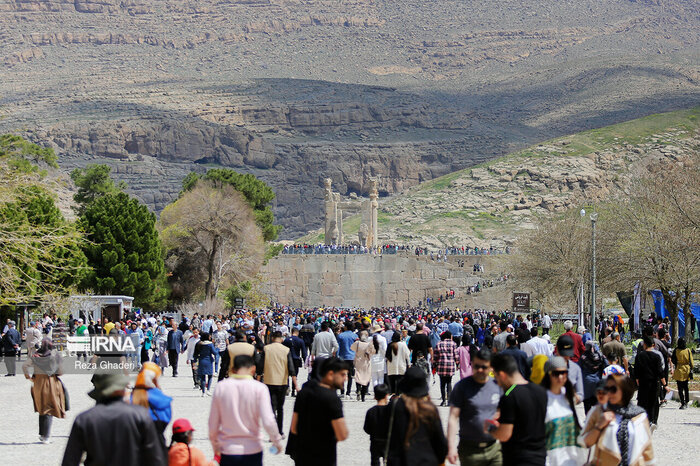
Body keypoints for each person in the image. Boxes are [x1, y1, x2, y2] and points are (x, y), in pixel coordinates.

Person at [62, 373, 166, 466]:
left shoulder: (84, 419)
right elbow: (155, 458)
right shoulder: (140, 415)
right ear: (122, 388)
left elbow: (70, 461)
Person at [209, 355, 283, 466]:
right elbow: (268, 420)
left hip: (228, 449)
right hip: (253, 449)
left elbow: (213, 423)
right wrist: (276, 441)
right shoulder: (259, 388)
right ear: (253, 369)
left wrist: (215, 446)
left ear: (233, 369)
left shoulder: (221, 387)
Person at [578, 374, 654, 465]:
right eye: (606, 389)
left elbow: (647, 449)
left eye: (613, 390)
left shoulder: (640, 416)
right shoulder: (599, 411)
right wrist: (599, 426)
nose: (608, 393)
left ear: (625, 390)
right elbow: (583, 442)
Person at [487, 353, 548, 466]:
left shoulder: (509, 397)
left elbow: (505, 435)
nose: (498, 383)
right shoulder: (540, 391)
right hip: (539, 457)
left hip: (518, 459)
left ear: (502, 375)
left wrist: (490, 428)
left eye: (496, 378)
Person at [383, 366, 448, 465]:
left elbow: (384, 432)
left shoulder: (395, 406)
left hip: (400, 460)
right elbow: (440, 442)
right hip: (427, 461)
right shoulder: (430, 409)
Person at [447, 348, 502, 466]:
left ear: (491, 367)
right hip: (469, 451)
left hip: (494, 449)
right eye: (476, 366)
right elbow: (452, 418)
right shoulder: (462, 387)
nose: (480, 370)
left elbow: (504, 413)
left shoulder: (497, 386)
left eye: (484, 367)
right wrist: (451, 447)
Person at [290, 357, 349, 466]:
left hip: (303, 456)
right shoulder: (332, 399)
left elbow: (294, 428)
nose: (346, 379)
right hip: (324, 457)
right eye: (343, 375)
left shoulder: (303, 393)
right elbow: (342, 435)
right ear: (331, 374)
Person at [540, 356, 583, 465]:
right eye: (556, 373)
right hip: (550, 461)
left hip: (572, 460)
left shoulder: (567, 396)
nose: (560, 377)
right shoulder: (540, 399)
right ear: (548, 374)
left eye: (564, 373)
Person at [22, 338, 66, 444]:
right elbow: (60, 372)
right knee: (49, 409)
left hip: (37, 383)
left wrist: (29, 377)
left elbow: (24, 366)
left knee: (41, 408)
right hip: (51, 383)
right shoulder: (55, 356)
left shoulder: (36, 355)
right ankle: (46, 436)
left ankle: (42, 434)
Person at [257, 330, 299, 436]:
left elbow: (260, 367)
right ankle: (280, 431)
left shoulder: (266, 349)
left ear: (272, 338)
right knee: (280, 408)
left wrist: (257, 381)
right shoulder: (286, 350)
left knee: (271, 408)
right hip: (282, 382)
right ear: (281, 339)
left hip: (269, 381)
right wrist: (296, 384)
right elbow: (291, 368)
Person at [130, 362, 173, 441]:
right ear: (156, 379)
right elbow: (166, 421)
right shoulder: (163, 401)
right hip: (156, 445)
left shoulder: (128, 400)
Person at [635, 335, 667, 429]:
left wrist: (638, 382)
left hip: (643, 383)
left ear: (644, 345)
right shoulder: (656, 356)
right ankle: (652, 420)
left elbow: (636, 372)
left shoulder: (640, 356)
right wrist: (665, 385)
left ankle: (642, 420)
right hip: (654, 383)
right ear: (653, 345)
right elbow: (660, 372)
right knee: (653, 402)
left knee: (642, 402)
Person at [363, 383, 391, 466]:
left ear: (375, 396)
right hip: (388, 441)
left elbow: (366, 428)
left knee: (375, 461)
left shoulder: (371, 411)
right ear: (387, 395)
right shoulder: (391, 411)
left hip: (375, 441)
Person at [578, 340, 608, 414]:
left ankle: (588, 421)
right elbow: (607, 365)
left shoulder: (583, 356)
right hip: (598, 382)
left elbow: (579, 368)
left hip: (586, 383)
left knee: (587, 405)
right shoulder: (600, 355)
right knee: (597, 404)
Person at [556, 335, 583, 404]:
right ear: (557, 350)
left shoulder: (576, 369)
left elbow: (580, 394)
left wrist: (575, 398)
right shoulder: (549, 366)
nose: (565, 357)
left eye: (567, 355)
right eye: (563, 355)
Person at [434, 330, 458, 406]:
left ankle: (443, 400)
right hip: (450, 365)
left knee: (442, 384)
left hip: (441, 365)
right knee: (449, 382)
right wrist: (457, 364)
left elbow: (435, 356)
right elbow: (456, 355)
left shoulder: (439, 344)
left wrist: (434, 365)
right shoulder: (453, 344)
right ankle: (449, 401)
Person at [351, 330, 375, 402]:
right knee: (366, 378)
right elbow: (373, 352)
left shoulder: (357, 343)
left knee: (358, 376)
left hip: (358, 362)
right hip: (366, 362)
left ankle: (358, 390)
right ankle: (363, 396)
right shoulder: (370, 344)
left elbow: (352, 348)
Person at [283, 327, 307, 396]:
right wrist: (305, 362)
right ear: (298, 332)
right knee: (295, 375)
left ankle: (287, 389)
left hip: (287, 359)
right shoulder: (300, 341)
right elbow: (304, 353)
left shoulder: (286, 340)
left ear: (291, 332)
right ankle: (293, 391)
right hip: (296, 359)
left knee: (286, 375)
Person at [337, 321, 358, 399]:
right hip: (352, 357)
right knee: (350, 376)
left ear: (346, 326)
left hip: (343, 357)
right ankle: (348, 392)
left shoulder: (340, 335)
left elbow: (338, 347)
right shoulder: (354, 335)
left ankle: (342, 392)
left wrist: (337, 357)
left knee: (342, 375)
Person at [671, 337, 694, 409]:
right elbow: (691, 361)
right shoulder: (688, 350)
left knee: (680, 388)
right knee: (686, 387)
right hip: (686, 369)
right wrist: (691, 368)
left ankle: (682, 402)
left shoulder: (676, 350)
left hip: (679, 369)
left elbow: (673, 359)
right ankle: (687, 401)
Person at [194, 332, 218, 396]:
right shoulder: (210, 344)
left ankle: (203, 392)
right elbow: (214, 352)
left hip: (201, 360)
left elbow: (195, 354)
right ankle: (208, 390)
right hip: (209, 361)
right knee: (210, 376)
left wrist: (194, 362)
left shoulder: (199, 344)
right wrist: (217, 348)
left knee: (203, 377)